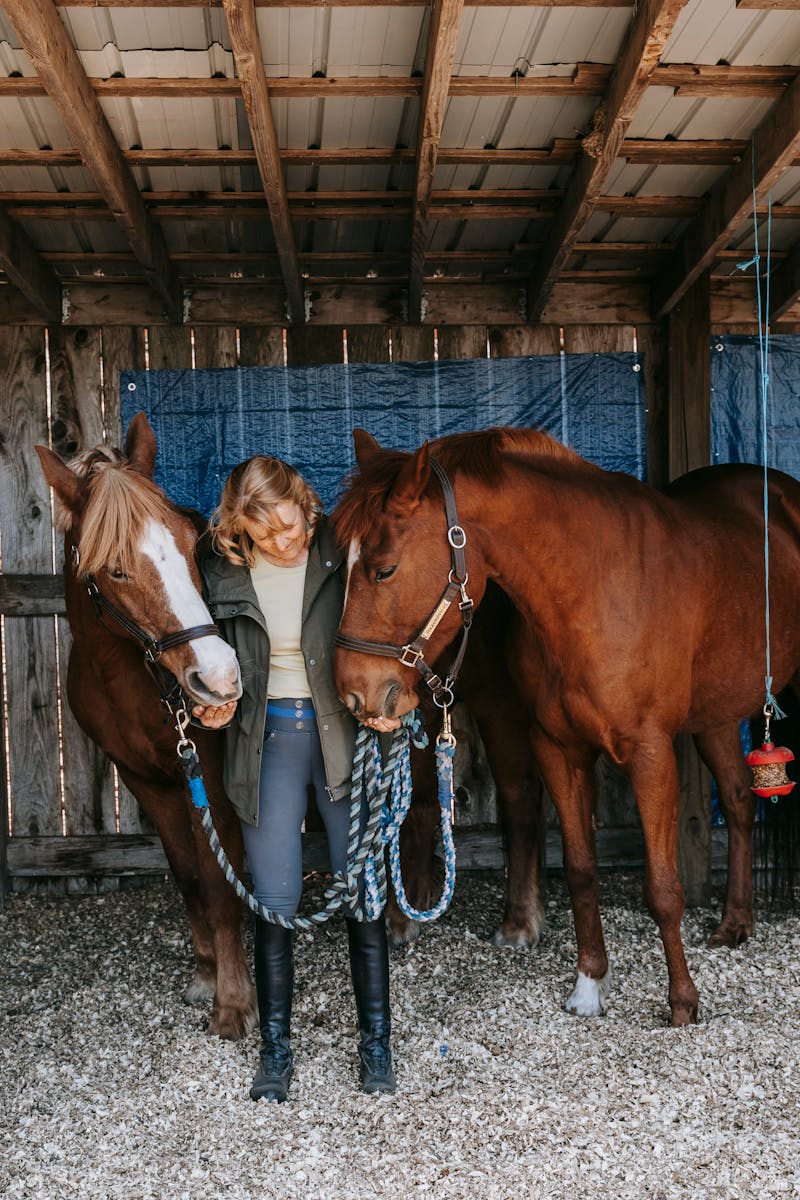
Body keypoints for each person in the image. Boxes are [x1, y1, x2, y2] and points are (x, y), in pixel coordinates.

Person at [194, 455, 399, 1102]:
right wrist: (209, 702)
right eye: (272, 533)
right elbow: (205, 660)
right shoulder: (220, 570)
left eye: (295, 522)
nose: (291, 539)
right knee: (274, 900)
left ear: (305, 502)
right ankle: (275, 1055)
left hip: (345, 732)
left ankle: (377, 1048)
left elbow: (390, 630)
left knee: (362, 891)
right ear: (241, 530)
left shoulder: (345, 540)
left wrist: (390, 701)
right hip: (265, 742)